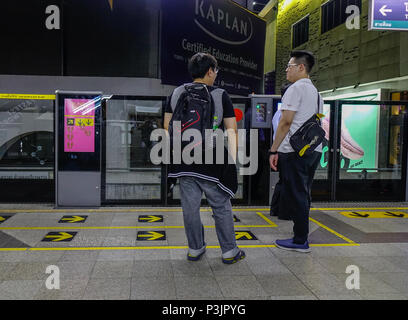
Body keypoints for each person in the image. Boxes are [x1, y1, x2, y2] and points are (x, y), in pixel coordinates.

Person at [163, 52, 245, 264]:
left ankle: (195, 249)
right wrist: (232, 160)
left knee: (190, 207)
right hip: (211, 157)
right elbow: (232, 130)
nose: (215, 74)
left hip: (183, 159)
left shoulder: (176, 92)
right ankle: (229, 251)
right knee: (220, 205)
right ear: (210, 71)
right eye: (215, 70)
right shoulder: (220, 95)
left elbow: (167, 127)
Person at [269, 50, 323, 253]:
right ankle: (300, 236)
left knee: (297, 193)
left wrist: (273, 150)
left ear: (301, 67)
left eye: (289, 66)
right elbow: (317, 119)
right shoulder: (317, 93)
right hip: (313, 149)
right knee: (304, 192)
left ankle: (300, 240)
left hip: (294, 151)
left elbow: (286, 122)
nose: (286, 69)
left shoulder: (295, 89)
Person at [269, 83, 292, 220]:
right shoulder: (284, 113)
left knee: (283, 181)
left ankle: (276, 209)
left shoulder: (281, 112)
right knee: (286, 182)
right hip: (284, 151)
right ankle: (283, 212)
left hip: (281, 151)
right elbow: (283, 132)